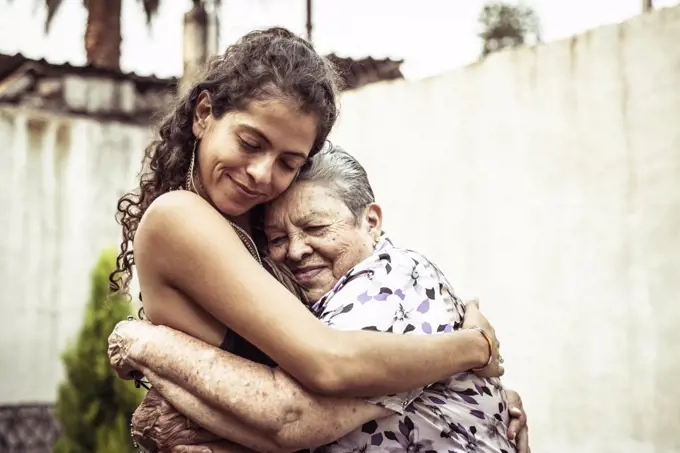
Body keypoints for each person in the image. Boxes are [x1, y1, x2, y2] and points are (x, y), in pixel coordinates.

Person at [108, 27, 524, 452]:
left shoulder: (256, 229)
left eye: (289, 162)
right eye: (250, 143)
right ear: (204, 114)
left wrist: (474, 400)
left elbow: (367, 334)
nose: (262, 173)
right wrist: (476, 347)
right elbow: (329, 363)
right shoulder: (178, 217)